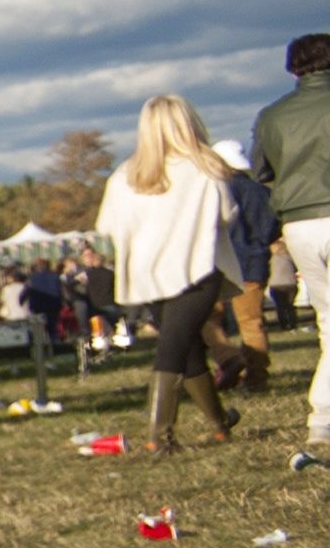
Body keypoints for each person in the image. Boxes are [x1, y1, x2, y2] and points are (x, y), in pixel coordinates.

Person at [97, 94, 241, 449]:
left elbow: (107, 227)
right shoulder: (206, 167)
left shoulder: (125, 176)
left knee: (186, 345)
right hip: (196, 269)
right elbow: (228, 214)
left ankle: (219, 424)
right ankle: (158, 437)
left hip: (150, 274)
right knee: (175, 347)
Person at [249, 34, 330, 446]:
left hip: (299, 223)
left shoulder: (271, 116)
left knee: (326, 323)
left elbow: (261, 172)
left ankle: (321, 420)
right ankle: (321, 417)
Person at [215, 141, 277, 396]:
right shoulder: (261, 191)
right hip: (254, 262)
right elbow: (273, 227)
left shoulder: (216, 190)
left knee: (208, 321)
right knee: (252, 324)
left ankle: (227, 359)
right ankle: (256, 379)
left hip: (220, 264)